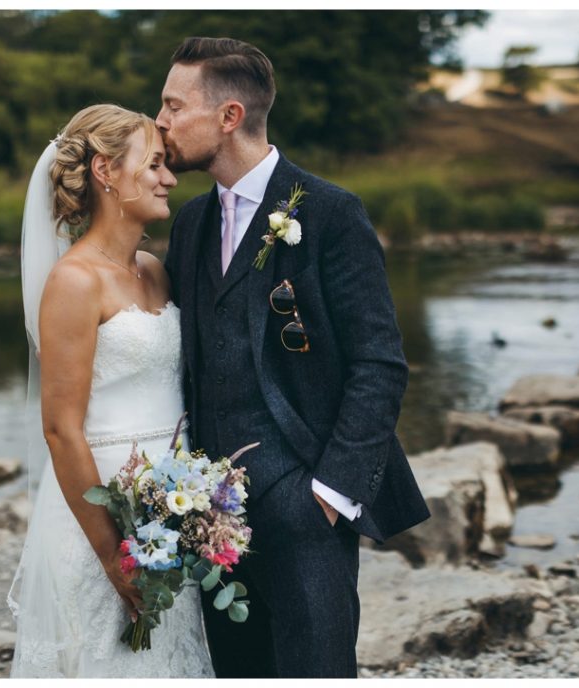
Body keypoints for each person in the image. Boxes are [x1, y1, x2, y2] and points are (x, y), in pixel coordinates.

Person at [157, 37, 431, 678]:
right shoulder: (191, 222)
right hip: (212, 519)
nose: (161, 122)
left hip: (307, 505)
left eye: (173, 106)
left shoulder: (332, 213)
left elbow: (380, 364)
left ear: (229, 116)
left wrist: (330, 494)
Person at [6, 103, 214, 678]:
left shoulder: (154, 268)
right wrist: (114, 556)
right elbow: (60, 428)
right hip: (104, 512)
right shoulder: (74, 281)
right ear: (105, 172)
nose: (169, 178)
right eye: (153, 165)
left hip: (174, 507)